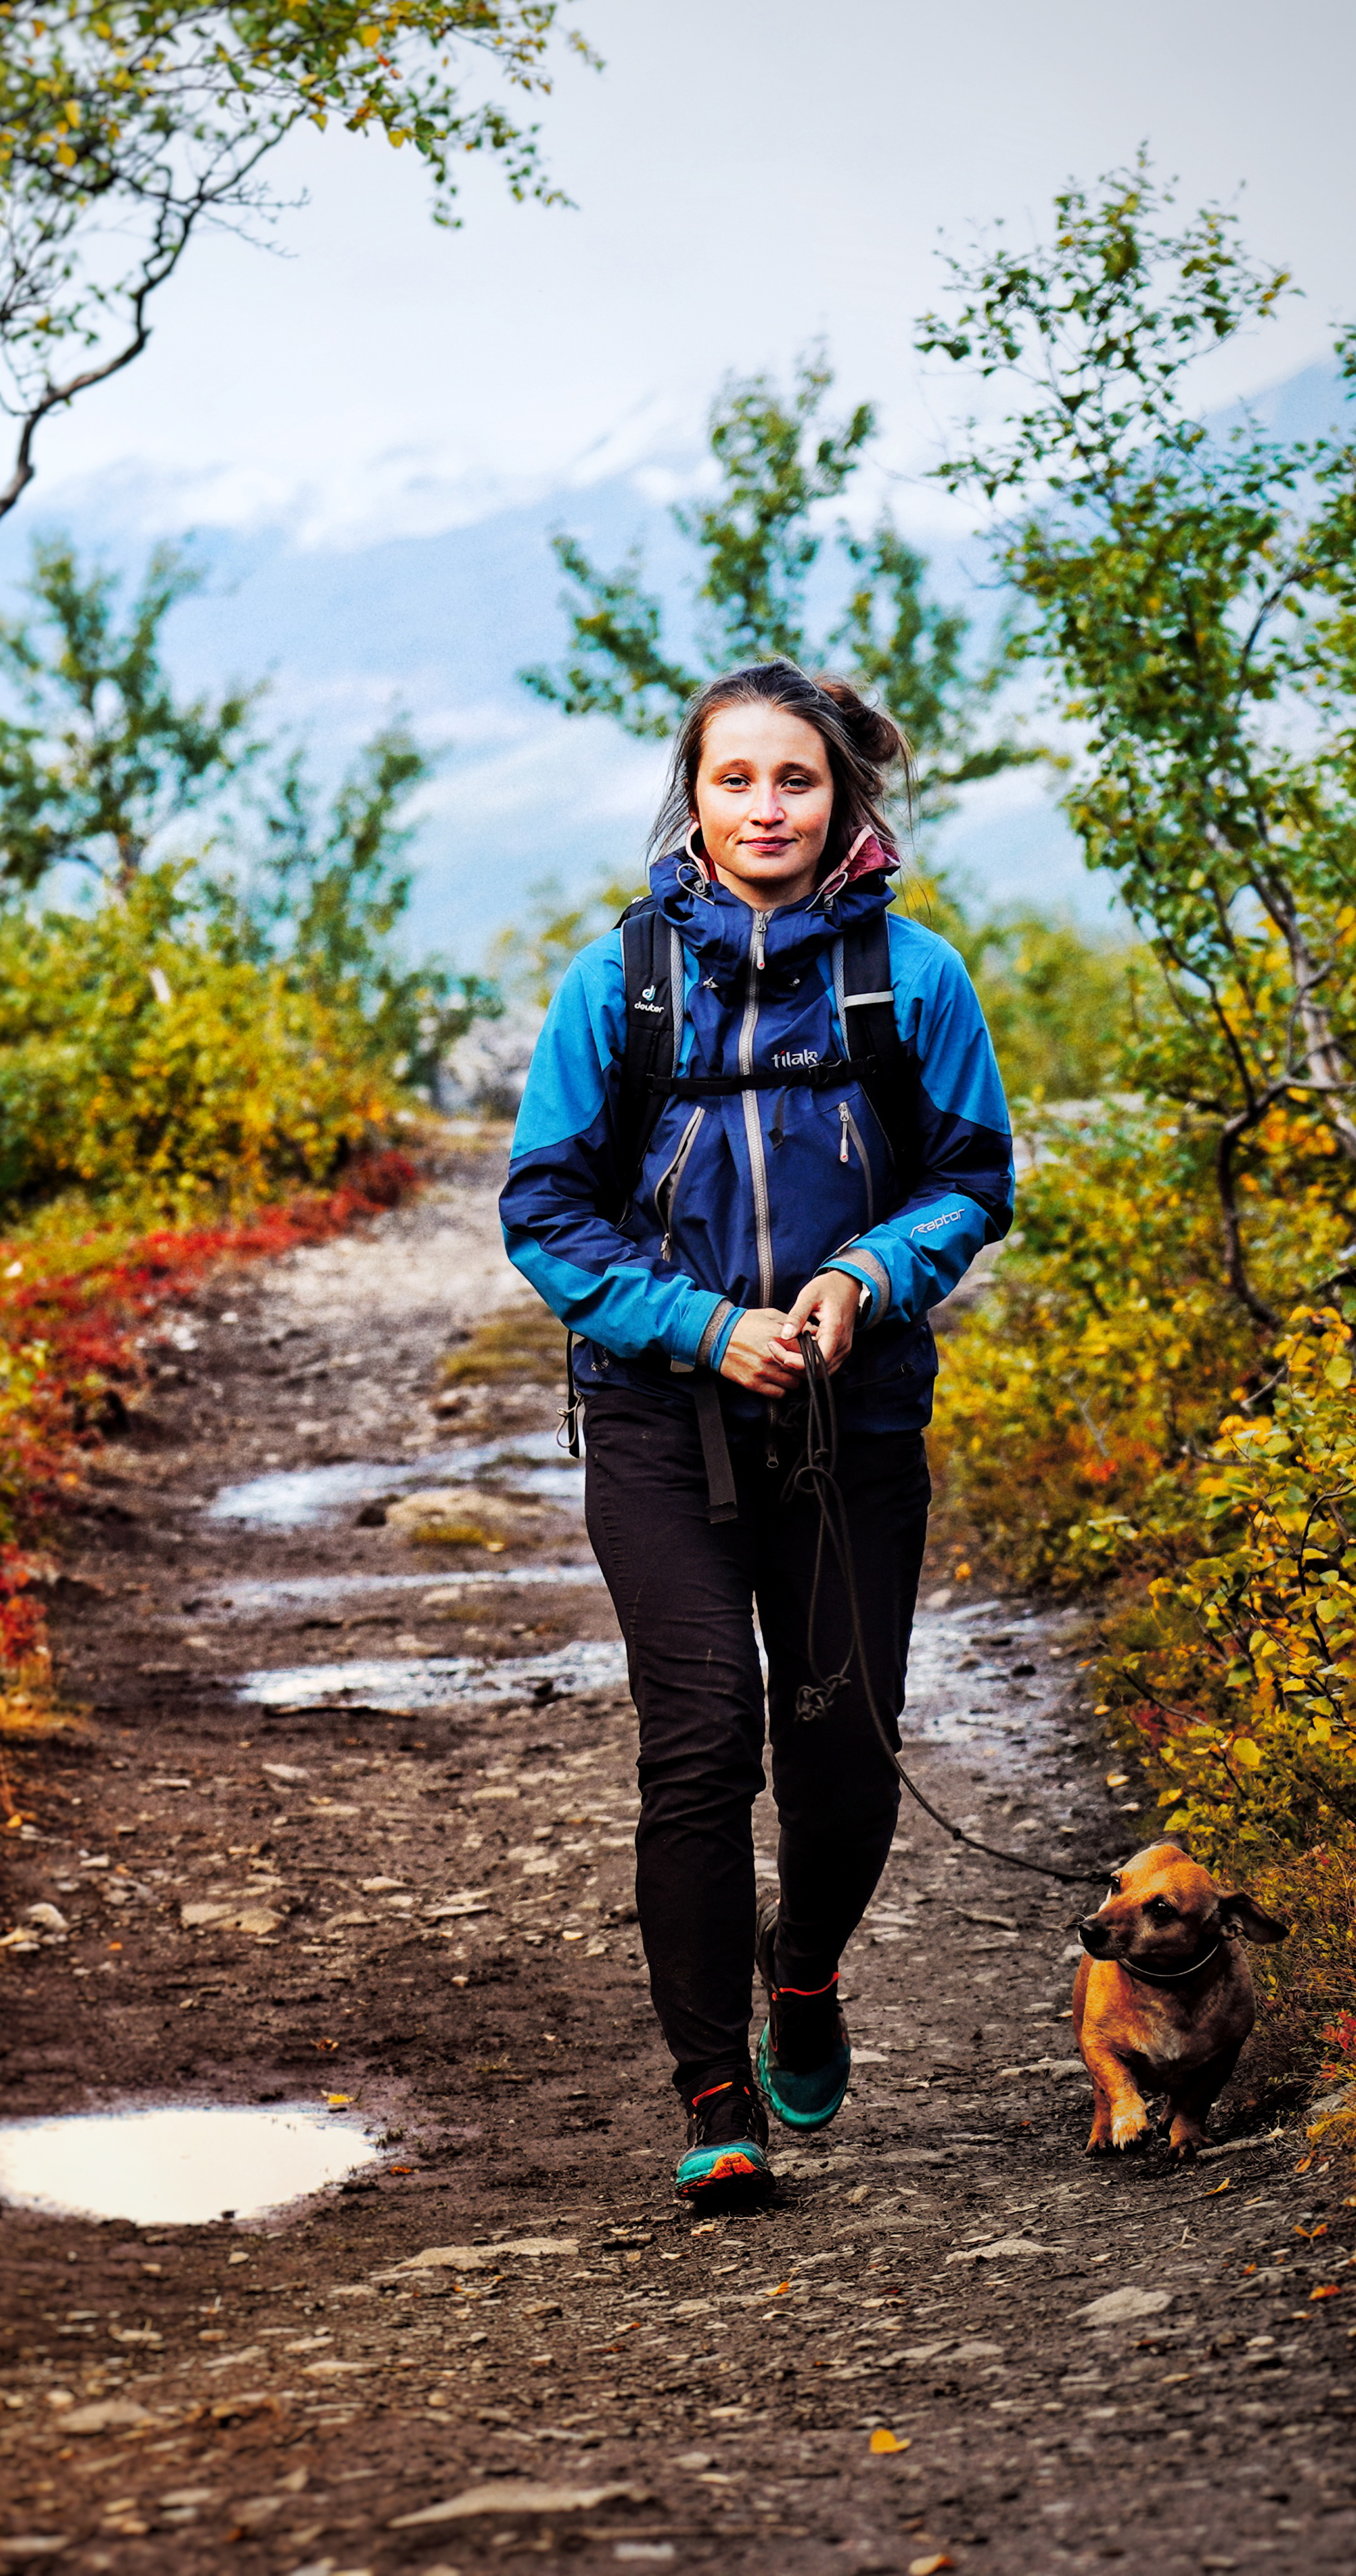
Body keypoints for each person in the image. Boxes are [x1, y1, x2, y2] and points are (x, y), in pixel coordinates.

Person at [499, 661, 1019, 2191]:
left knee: (845, 1754)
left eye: (793, 779)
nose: (765, 807)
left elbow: (972, 1179)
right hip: (665, 1424)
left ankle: (805, 1971)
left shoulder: (911, 978)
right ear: (697, 797)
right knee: (704, 1738)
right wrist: (706, 1329)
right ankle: (716, 2098)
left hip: (852, 1424)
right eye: (736, 780)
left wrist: (868, 1272)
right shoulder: (623, 983)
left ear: (842, 794)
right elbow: (543, 1207)